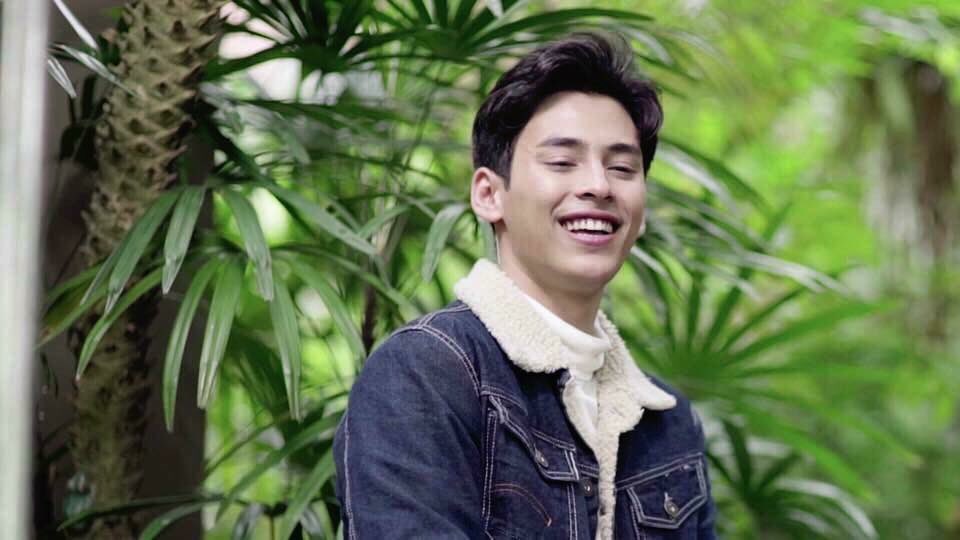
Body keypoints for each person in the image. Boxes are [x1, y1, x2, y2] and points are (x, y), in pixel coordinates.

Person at [333, 32, 718, 540]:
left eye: (622, 168)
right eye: (562, 162)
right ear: (489, 194)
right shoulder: (425, 375)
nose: (599, 185)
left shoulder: (667, 423)